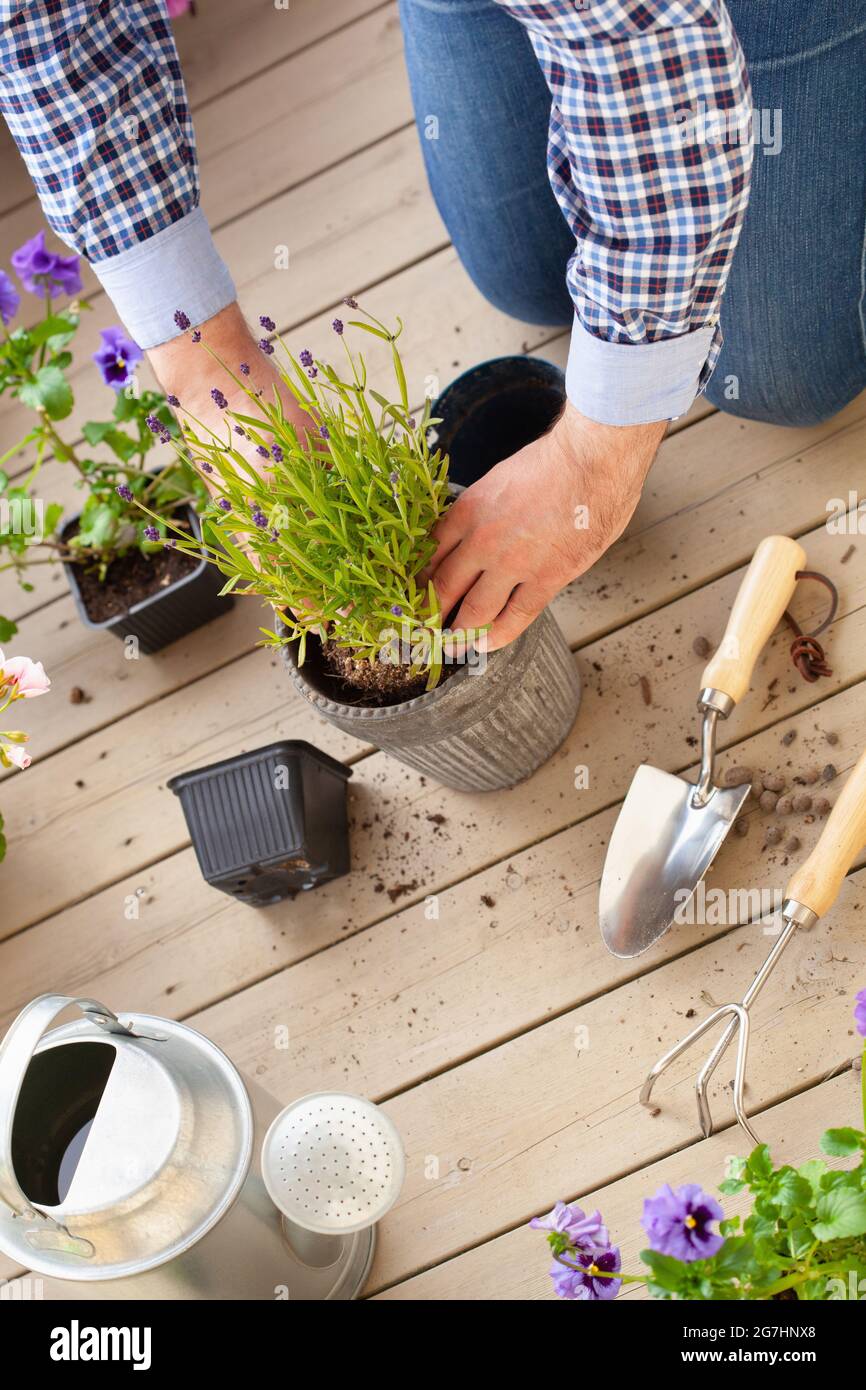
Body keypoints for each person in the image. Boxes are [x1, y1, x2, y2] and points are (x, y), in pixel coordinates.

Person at [1, 1, 863, 651]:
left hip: (658, 27)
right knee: (527, 279)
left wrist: (599, 456)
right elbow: (45, 25)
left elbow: (655, 57)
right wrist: (204, 364)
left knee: (782, 378)